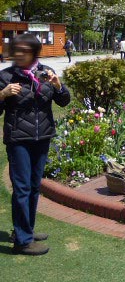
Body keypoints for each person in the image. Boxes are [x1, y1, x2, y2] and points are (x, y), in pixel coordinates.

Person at [0, 34, 71, 255]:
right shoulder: (6, 76)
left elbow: (63, 100)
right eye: (16, 50)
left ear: (34, 51)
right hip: (18, 139)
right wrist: (2, 94)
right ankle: (22, 241)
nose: (19, 54)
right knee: (21, 188)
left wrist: (58, 86)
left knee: (33, 187)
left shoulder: (46, 71)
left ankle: (25, 230)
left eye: (24, 50)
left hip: (42, 138)